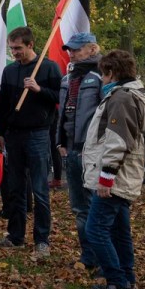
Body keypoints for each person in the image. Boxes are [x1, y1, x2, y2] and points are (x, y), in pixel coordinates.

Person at [83, 49, 145, 289]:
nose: (101, 79)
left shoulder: (121, 97)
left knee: (95, 230)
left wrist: (106, 179)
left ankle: (119, 286)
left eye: (103, 73)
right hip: (124, 177)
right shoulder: (130, 94)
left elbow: (117, 141)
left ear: (111, 72)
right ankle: (126, 279)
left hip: (116, 179)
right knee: (119, 231)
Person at [0, 27, 61, 259]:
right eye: (12, 48)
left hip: (38, 134)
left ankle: (42, 239)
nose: (15, 52)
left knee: (39, 190)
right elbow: (3, 104)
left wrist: (39, 89)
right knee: (15, 188)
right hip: (13, 135)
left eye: (18, 48)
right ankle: (16, 235)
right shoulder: (9, 71)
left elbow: (59, 98)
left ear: (31, 45)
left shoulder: (49, 67)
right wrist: (1, 133)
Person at [56, 32, 102, 270]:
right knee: (78, 206)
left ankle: (103, 257)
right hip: (71, 150)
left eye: (76, 49)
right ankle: (88, 256)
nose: (71, 53)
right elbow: (63, 114)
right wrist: (59, 141)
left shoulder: (101, 76)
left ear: (91, 49)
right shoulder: (67, 78)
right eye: (70, 49)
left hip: (92, 151)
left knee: (97, 205)